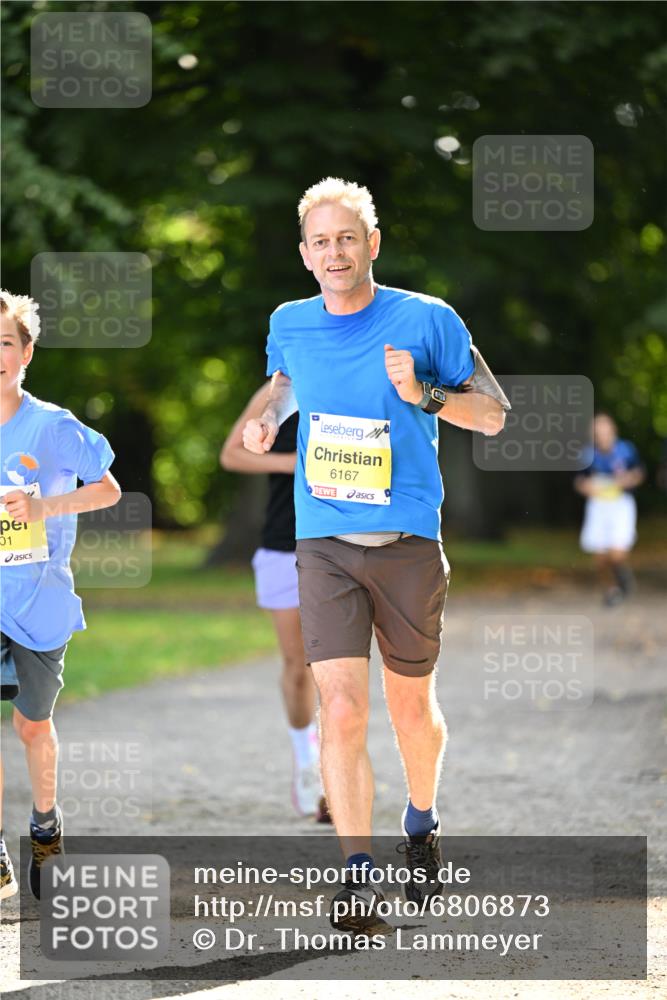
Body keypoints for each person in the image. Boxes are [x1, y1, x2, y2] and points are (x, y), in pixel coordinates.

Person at [242, 177, 509, 935]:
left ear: (372, 244)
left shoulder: (427, 319)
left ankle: (420, 823)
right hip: (322, 540)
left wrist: (425, 393)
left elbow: (490, 415)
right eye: (320, 241)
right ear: (304, 253)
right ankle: (357, 874)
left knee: (410, 710)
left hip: (407, 545)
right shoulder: (290, 321)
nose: (334, 252)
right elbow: (284, 387)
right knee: (341, 706)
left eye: (346, 238)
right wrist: (266, 421)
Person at [0, 291, 121, 901]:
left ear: (25, 353)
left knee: (30, 726)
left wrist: (44, 507)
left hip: (37, 599)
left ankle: (45, 827)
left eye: (5, 342)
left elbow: (108, 490)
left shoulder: (52, 425)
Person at [220, 384, 330, 822]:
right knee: (299, 665)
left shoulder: (361, 369)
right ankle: (308, 766)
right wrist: (298, 463)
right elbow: (231, 454)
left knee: (338, 667)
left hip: (348, 541)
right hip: (285, 545)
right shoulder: (280, 390)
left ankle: (336, 775)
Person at [575, 412, 644, 606]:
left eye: (605, 430)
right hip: (598, 506)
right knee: (600, 556)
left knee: (617, 552)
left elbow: (638, 473)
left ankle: (623, 580)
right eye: (598, 432)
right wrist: (587, 487)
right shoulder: (588, 455)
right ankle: (612, 590)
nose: (602, 435)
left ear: (613, 430)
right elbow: (580, 481)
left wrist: (628, 480)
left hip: (620, 505)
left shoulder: (626, 450)